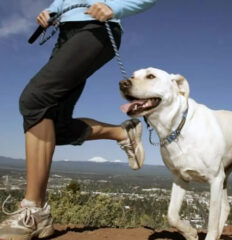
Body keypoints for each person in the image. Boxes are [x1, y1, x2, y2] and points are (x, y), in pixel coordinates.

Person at [0, 0, 156, 239]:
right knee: (56, 128)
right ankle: (122, 133)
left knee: (34, 100)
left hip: (96, 28)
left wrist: (117, 7)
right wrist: (51, 10)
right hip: (65, 31)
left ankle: (33, 209)